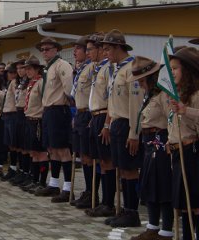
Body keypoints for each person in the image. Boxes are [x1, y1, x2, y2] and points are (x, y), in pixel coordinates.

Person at [127, 56, 174, 240]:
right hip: (148, 141)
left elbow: (170, 120)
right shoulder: (149, 95)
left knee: (162, 185)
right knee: (150, 185)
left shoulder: (163, 95)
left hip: (161, 141)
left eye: (142, 79)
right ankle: (153, 226)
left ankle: (166, 230)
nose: (139, 83)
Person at [102, 29, 144, 227]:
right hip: (117, 123)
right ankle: (125, 210)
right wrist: (108, 124)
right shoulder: (116, 69)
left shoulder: (131, 68)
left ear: (119, 47)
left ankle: (132, 211)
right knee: (121, 169)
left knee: (130, 169)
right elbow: (112, 101)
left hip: (128, 123)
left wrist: (134, 133)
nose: (105, 52)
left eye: (108, 48)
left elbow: (135, 104)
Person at [33, 37, 74, 203]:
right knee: (52, 148)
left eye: (48, 49)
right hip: (48, 111)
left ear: (56, 49)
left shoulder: (62, 65)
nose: (44, 52)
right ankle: (54, 183)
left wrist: (70, 107)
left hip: (59, 109)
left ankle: (68, 187)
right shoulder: (47, 68)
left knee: (63, 149)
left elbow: (69, 88)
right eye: (42, 49)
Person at [167, 47, 199, 240]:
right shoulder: (177, 94)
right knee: (184, 205)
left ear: (186, 70)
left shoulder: (196, 95)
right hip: (178, 152)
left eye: (175, 69)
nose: (172, 73)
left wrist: (185, 110)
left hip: (192, 152)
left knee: (194, 203)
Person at [85, 33, 117, 217]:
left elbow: (112, 98)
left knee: (107, 161)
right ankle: (102, 201)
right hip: (95, 116)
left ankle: (108, 202)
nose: (88, 53)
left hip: (105, 115)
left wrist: (107, 123)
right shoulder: (97, 69)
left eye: (91, 49)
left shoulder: (109, 69)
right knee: (101, 161)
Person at [69, 35, 100, 208]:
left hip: (89, 113)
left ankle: (93, 192)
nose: (75, 52)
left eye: (79, 49)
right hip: (80, 113)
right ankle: (89, 191)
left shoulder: (93, 68)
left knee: (90, 156)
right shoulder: (81, 69)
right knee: (83, 156)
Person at [18, 56, 50, 194]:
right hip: (29, 119)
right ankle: (34, 179)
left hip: (38, 120)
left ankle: (42, 182)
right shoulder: (31, 83)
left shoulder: (41, 82)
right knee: (33, 152)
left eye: (30, 69)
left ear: (37, 69)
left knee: (41, 153)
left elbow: (45, 101)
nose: (28, 71)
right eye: (26, 69)